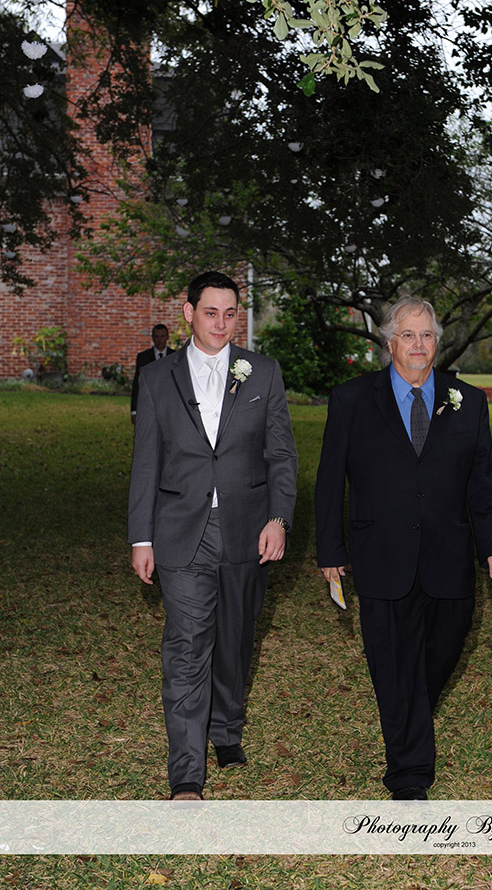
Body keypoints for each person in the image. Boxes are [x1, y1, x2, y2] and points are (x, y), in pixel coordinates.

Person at [314, 295, 492, 800]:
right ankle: (409, 776)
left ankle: (408, 712)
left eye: (427, 335)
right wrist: (330, 551)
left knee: (441, 652)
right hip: (380, 553)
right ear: (389, 342)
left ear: (437, 342)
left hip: (449, 556)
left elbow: (483, 482)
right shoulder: (352, 400)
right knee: (392, 661)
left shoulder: (470, 402)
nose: (419, 345)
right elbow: (329, 481)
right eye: (408, 335)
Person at [128, 271, 297, 800]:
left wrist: (279, 519)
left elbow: (281, 455)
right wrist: (140, 538)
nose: (221, 324)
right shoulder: (157, 378)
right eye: (210, 312)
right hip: (181, 531)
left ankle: (226, 726)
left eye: (230, 314)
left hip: (247, 529)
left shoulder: (262, 372)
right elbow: (146, 462)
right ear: (188, 312)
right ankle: (186, 774)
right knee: (187, 646)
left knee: (236, 639)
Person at [130, 324, 174, 424]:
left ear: (167, 337)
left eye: (162, 336)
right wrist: (134, 410)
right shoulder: (143, 357)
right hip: (149, 405)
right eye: (156, 336)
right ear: (152, 338)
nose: (160, 340)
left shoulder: (175, 356)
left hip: (170, 405)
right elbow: (137, 384)